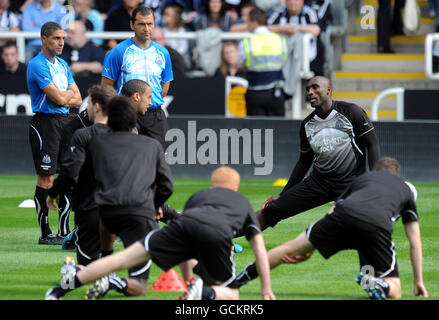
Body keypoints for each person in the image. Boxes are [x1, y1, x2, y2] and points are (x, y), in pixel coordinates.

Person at [46, 166, 275, 301]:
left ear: (212, 185)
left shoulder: (199, 197)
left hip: (180, 227)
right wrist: (266, 289)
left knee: (119, 259)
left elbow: (187, 246)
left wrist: (188, 282)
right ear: (235, 187)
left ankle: (59, 290)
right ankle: (204, 292)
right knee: (231, 295)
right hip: (215, 234)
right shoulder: (242, 202)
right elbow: (259, 249)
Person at [236, 157, 429, 300]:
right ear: (396, 175)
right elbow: (415, 240)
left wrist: (311, 247)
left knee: (288, 249)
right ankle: (375, 283)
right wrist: (418, 280)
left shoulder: (361, 181)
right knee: (394, 288)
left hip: (341, 217)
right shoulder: (405, 189)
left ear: (375, 171)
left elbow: (335, 208)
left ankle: (240, 279)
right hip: (375, 225)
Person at [254, 76, 380, 230]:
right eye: (308, 89)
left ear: (328, 90)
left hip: (350, 183)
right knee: (273, 210)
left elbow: (372, 145)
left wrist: (375, 182)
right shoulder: (307, 124)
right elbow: (304, 162)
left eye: (315, 87)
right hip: (319, 182)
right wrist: (283, 194)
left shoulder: (351, 112)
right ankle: (225, 232)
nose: (310, 92)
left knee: (358, 226)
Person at [47, 84, 117, 265]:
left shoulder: (82, 135)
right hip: (123, 208)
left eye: (89, 103)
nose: (86, 108)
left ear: (97, 107)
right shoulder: (129, 134)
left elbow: (70, 172)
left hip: (90, 209)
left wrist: (53, 192)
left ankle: (61, 289)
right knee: (117, 264)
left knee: (85, 268)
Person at [27, 21, 82, 245]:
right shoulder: (37, 65)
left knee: (67, 175)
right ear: (44, 39)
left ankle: (63, 231)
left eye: (62, 38)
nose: (61, 42)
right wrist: (66, 95)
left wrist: (65, 96)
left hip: (64, 122)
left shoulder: (63, 65)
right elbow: (60, 99)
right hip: (45, 123)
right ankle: (45, 232)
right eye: (56, 38)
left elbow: (78, 98)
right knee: (46, 178)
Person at [102, 5, 173, 150]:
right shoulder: (118, 52)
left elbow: (164, 87)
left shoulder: (163, 53)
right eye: (141, 24)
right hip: (127, 114)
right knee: (127, 160)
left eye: (150, 24)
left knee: (158, 163)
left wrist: (147, 101)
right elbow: (106, 87)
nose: (146, 28)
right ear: (132, 24)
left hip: (155, 115)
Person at [237, 7, 288, 116]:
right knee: (278, 130)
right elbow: (284, 60)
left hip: (255, 93)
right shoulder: (279, 39)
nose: (247, 25)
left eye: (248, 22)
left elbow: (240, 63)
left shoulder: (247, 42)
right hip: (276, 93)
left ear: (254, 22)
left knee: (257, 131)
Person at [268, 0, 330, 76]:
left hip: (310, 57)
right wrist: (284, 28)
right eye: (289, 0)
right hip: (284, 55)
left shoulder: (309, 12)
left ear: (302, 1)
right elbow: (267, 28)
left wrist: (296, 28)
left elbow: (316, 29)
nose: (292, 3)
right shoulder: (279, 13)